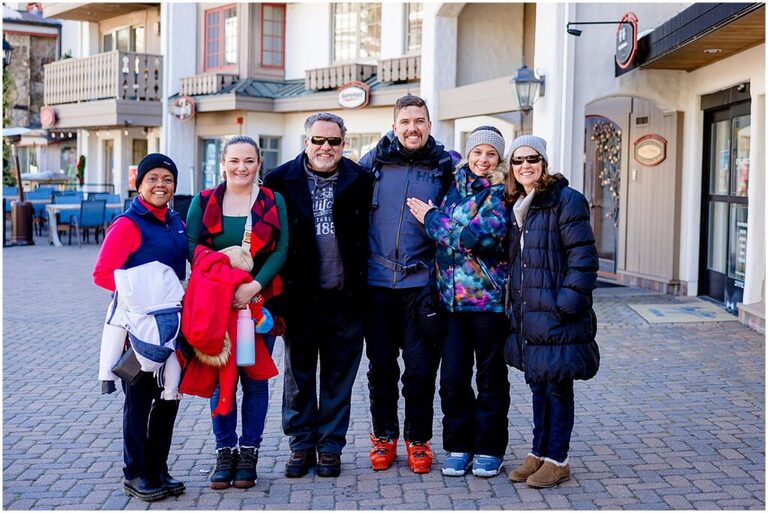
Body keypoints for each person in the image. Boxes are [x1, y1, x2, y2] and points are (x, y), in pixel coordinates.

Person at [264, 112, 370, 478]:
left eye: (334, 141)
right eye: (318, 140)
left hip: (346, 297)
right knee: (299, 377)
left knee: (339, 379)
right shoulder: (279, 180)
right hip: (299, 299)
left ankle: (329, 447)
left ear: (344, 144)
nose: (326, 147)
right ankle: (301, 445)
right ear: (306, 142)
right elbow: (268, 242)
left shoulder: (360, 179)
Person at [406, 126, 511, 478]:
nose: (483, 159)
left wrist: (432, 218)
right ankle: (459, 445)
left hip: (487, 303)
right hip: (450, 304)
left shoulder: (500, 193)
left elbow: (473, 239)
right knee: (452, 378)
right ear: (468, 154)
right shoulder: (451, 187)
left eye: (491, 154)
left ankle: (489, 449)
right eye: (478, 152)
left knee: (490, 378)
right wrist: (440, 220)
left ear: (499, 159)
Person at [185, 135, 288, 490]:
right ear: (223, 164)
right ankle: (224, 451)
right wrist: (226, 282)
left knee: (255, 380)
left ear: (259, 163)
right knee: (220, 378)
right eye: (234, 160)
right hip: (218, 304)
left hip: (260, 305)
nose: (241, 167)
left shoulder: (272, 201)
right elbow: (192, 246)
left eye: (248, 161)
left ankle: (249, 454)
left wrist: (252, 286)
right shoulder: (204, 202)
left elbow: (282, 249)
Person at [358, 94, 453, 474]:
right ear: (394, 126)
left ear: (429, 124)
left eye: (419, 121)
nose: (413, 128)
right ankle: (384, 437)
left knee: (420, 370)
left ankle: (418, 440)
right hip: (377, 284)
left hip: (422, 285)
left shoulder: (445, 167)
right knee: (381, 368)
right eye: (406, 122)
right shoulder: (373, 163)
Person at [502, 135, 600, 488]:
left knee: (557, 388)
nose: (525, 165)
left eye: (532, 158)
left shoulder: (566, 200)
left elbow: (583, 258)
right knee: (539, 386)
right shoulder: (519, 204)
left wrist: (566, 306)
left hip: (557, 314)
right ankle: (538, 452)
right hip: (530, 314)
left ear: (543, 162)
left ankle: (558, 460)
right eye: (518, 160)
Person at [92, 153, 187, 502]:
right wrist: (145, 298)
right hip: (138, 329)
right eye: (153, 179)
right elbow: (103, 274)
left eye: (167, 179)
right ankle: (134, 473)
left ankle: (158, 468)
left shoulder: (175, 221)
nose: (161, 185)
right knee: (139, 401)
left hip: (172, 327)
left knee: (168, 397)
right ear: (139, 184)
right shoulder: (127, 225)